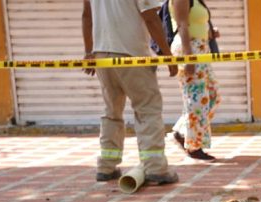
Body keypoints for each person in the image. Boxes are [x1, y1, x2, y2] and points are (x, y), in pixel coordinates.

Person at [82, 0, 179, 184]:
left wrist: (89, 52)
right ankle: (155, 168)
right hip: (131, 54)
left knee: (111, 111)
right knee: (147, 109)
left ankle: (106, 166)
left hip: (102, 55)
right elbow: (150, 18)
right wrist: (167, 55)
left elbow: (87, 16)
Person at [170, 0, 222, 161]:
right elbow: (182, 25)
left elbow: (195, 24)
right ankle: (193, 146)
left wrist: (210, 33)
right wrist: (189, 58)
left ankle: (182, 132)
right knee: (197, 99)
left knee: (213, 96)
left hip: (201, 48)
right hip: (190, 49)